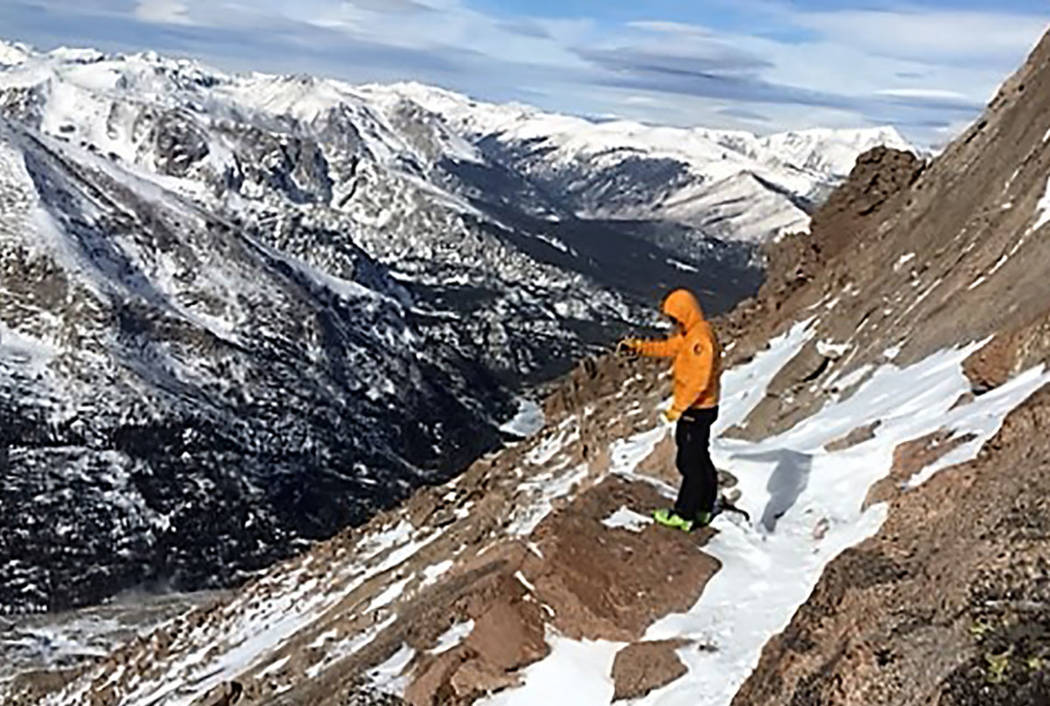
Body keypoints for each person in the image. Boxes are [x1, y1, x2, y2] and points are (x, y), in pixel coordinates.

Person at [618, 288, 723, 532]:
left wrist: (679, 408)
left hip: (696, 410)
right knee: (699, 457)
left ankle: (685, 513)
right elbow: (668, 348)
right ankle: (703, 508)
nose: (672, 323)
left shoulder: (700, 340)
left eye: (674, 318)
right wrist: (637, 347)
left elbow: (700, 380)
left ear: (685, 314)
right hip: (701, 408)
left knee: (689, 462)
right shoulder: (692, 334)